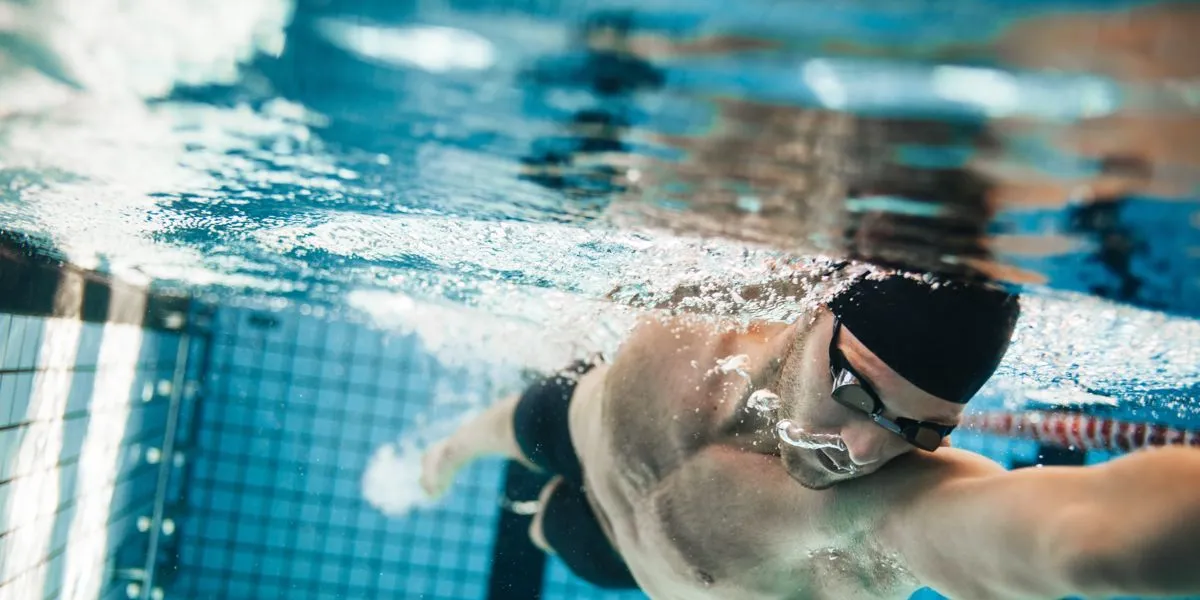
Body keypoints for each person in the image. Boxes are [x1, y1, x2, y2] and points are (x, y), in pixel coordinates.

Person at [420, 269, 1200, 599]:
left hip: (620, 561)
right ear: (814, 312)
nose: (867, 453)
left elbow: (1082, 537)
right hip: (579, 419)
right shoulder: (710, 295)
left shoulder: (875, 520)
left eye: (920, 433)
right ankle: (451, 452)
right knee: (519, 423)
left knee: (557, 529)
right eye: (856, 392)